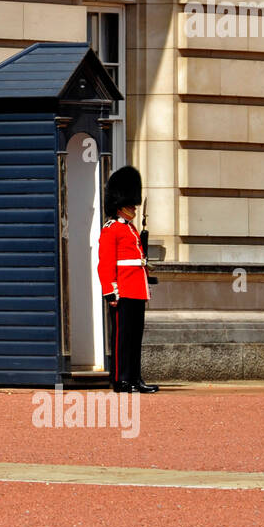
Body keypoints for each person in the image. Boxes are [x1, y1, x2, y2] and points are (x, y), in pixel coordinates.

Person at [97, 165, 158, 394]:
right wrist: (110, 291)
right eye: (130, 203)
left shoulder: (131, 229)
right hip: (122, 290)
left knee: (134, 339)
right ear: (119, 204)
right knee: (122, 340)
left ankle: (134, 378)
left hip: (137, 289)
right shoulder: (111, 229)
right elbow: (105, 264)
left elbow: (138, 260)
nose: (134, 207)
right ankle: (121, 380)